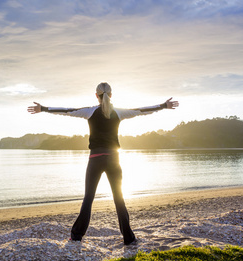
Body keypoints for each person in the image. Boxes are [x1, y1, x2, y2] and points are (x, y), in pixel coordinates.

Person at [27, 82, 178, 245]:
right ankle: (128, 238)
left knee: (88, 199)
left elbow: (67, 111)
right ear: (111, 95)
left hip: (95, 159)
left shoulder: (90, 111)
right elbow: (141, 111)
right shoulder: (119, 112)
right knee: (119, 198)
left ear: (96, 95)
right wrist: (163, 106)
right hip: (113, 158)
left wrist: (43, 109)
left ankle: (76, 236)